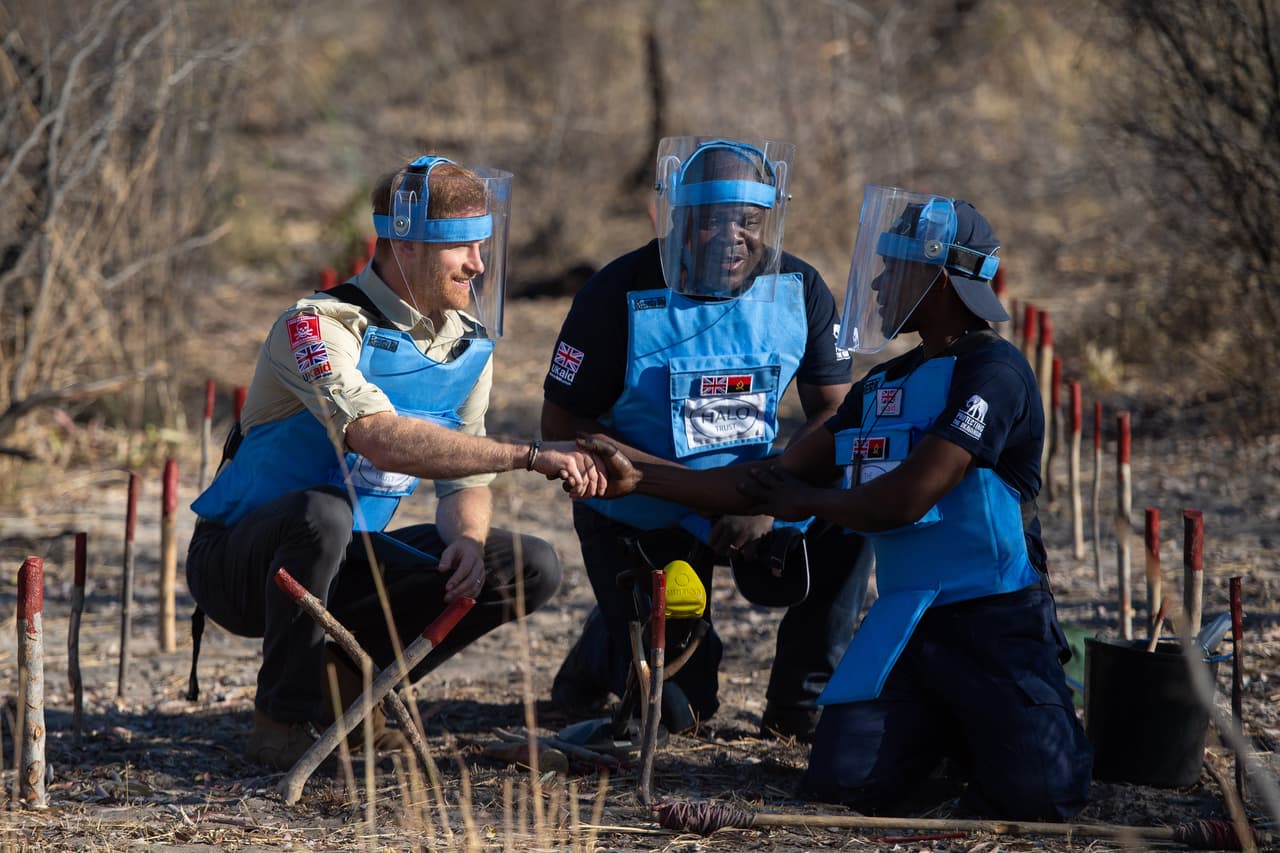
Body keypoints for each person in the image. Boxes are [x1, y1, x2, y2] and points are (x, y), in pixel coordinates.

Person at [583, 186, 1093, 820]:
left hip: (996, 617)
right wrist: (641, 475)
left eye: (894, 267)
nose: (877, 283)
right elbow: (765, 477)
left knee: (1043, 796)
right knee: (841, 782)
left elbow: (905, 500)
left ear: (939, 281)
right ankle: (952, 731)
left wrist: (804, 499)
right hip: (907, 620)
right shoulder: (881, 385)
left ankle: (993, 726)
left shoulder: (994, 372)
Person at [186, 155, 607, 771]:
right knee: (323, 515)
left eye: (482, 245)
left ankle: (350, 690)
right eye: (462, 247)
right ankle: (281, 722)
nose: (478, 265)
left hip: (343, 557)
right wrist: (532, 456)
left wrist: (466, 537)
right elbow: (378, 438)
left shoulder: (464, 345)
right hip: (240, 562)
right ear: (405, 245)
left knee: (524, 565)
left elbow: (467, 476)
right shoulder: (317, 325)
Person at [542, 136, 873, 740]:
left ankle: (804, 695)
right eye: (711, 222)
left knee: (853, 510)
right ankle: (606, 649)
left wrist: (771, 503)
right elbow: (561, 428)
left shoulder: (801, 286)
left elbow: (837, 414)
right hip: (643, 508)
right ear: (679, 220)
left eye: (748, 221)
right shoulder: (615, 291)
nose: (732, 237)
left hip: (760, 494)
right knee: (680, 716)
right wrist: (696, 490)